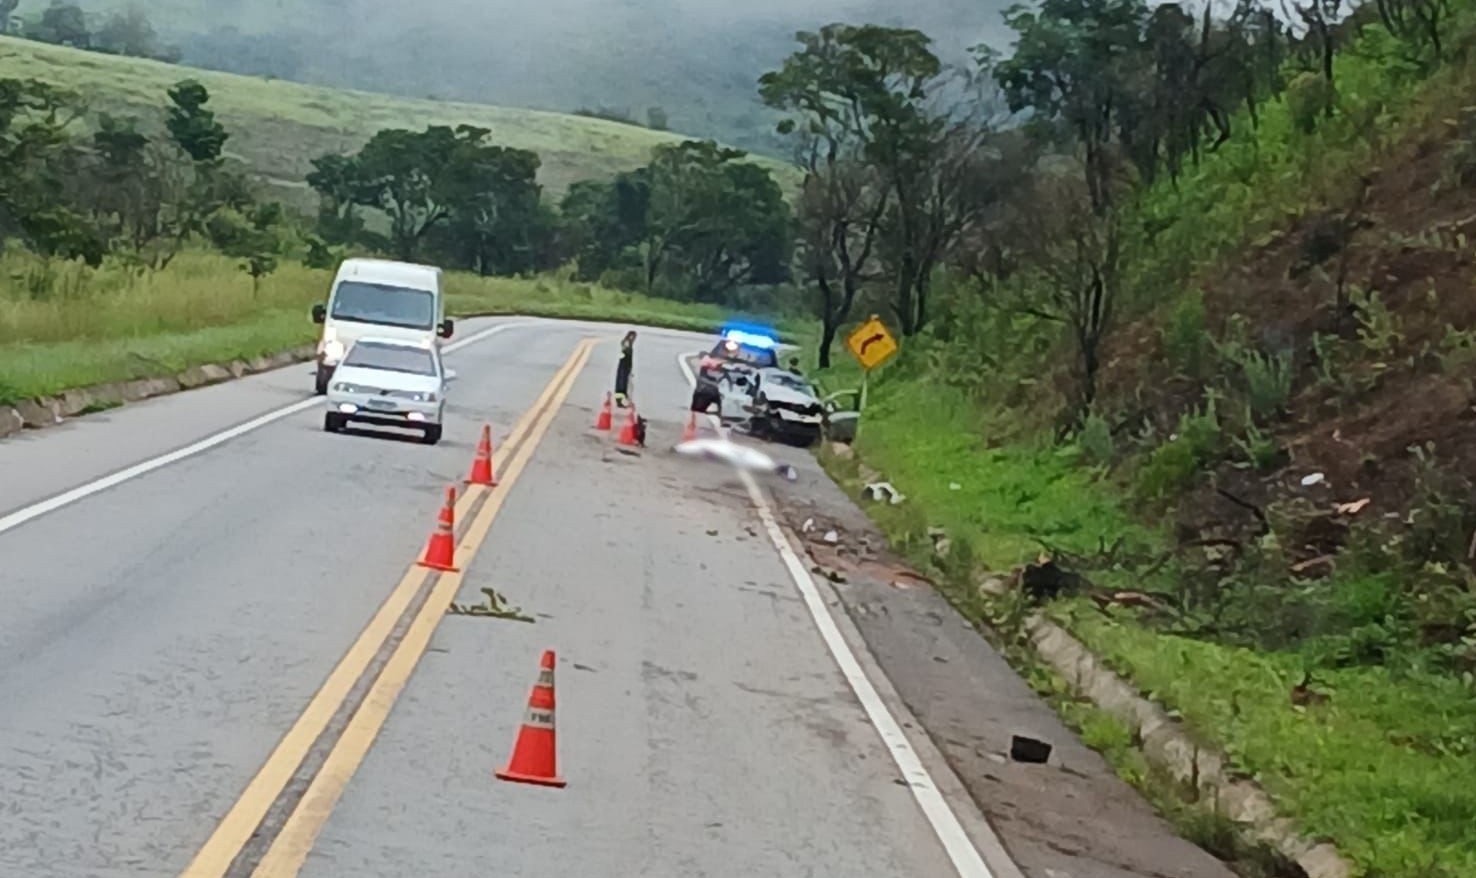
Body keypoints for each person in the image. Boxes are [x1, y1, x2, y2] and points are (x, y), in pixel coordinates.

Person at [614, 330, 636, 408]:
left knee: (624, 383)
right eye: (632, 337)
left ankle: (622, 399)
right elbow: (624, 354)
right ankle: (619, 401)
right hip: (623, 366)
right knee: (621, 383)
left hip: (626, 366)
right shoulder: (626, 344)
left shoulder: (629, 344)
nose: (633, 339)